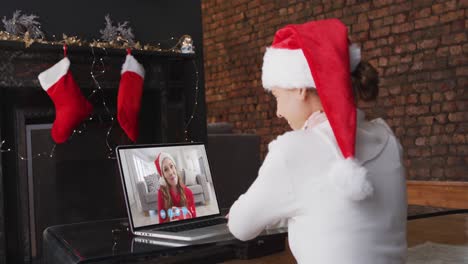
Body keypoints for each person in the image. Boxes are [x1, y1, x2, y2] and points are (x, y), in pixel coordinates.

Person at [227, 19, 407, 264]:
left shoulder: (292, 149)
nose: (278, 111)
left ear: (300, 88)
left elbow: (241, 226)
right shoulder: (388, 139)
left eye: (277, 96)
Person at [155, 152, 197, 223]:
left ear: (175, 167)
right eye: (166, 170)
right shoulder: (161, 193)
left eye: (171, 166)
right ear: (163, 176)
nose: (171, 172)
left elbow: (194, 219)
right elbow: (161, 221)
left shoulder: (188, 192)